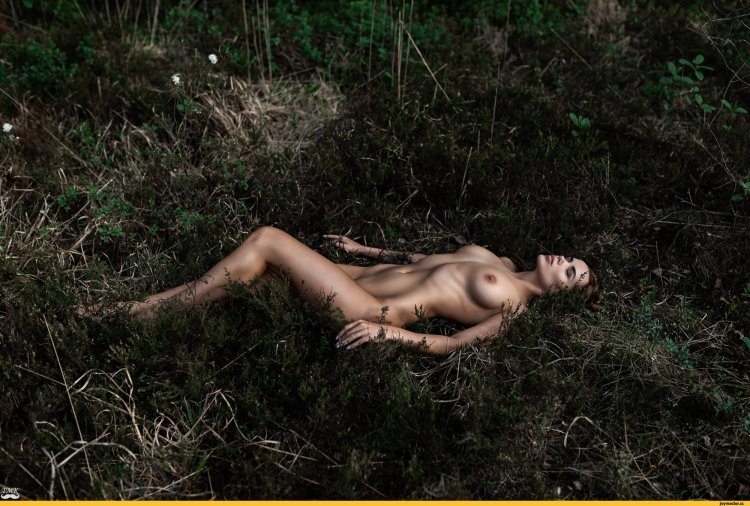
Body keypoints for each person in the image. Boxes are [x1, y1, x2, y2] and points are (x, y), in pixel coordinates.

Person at [77, 226, 602, 355]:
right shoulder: (502, 263)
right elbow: (425, 261)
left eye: (570, 274)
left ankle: (136, 314)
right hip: (353, 275)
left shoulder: (513, 310)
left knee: (266, 241)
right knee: (248, 280)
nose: (564, 261)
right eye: (571, 260)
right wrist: (363, 249)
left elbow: (450, 345)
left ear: (558, 296)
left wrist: (385, 334)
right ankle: (127, 313)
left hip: (370, 306)